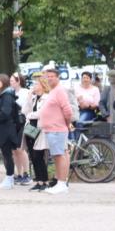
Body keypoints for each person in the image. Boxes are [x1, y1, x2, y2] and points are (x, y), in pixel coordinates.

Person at [40, 65, 74, 194]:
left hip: (57, 129)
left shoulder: (59, 91)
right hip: (53, 129)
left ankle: (61, 183)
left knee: (60, 156)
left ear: (58, 78)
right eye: (47, 76)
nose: (49, 79)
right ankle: (60, 182)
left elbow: (67, 110)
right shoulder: (53, 91)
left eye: (52, 76)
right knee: (58, 156)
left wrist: (66, 123)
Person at [25, 76, 52, 191]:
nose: (34, 86)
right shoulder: (34, 98)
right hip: (30, 128)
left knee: (39, 155)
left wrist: (30, 115)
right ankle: (39, 181)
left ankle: (45, 181)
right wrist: (28, 97)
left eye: (36, 84)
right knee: (33, 156)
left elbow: (42, 113)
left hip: (40, 129)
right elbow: (25, 111)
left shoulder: (47, 98)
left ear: (43, 85)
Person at [10, 72, 32, 185]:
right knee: (14, 150)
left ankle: (26, 173)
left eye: (12, 80)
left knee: (21, 149)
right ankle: (18, 174)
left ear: (18, 81)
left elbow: (27, 108)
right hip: (13, 123)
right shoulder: (10, 92)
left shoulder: (25, 92)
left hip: (23, 122)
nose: (10, 82)